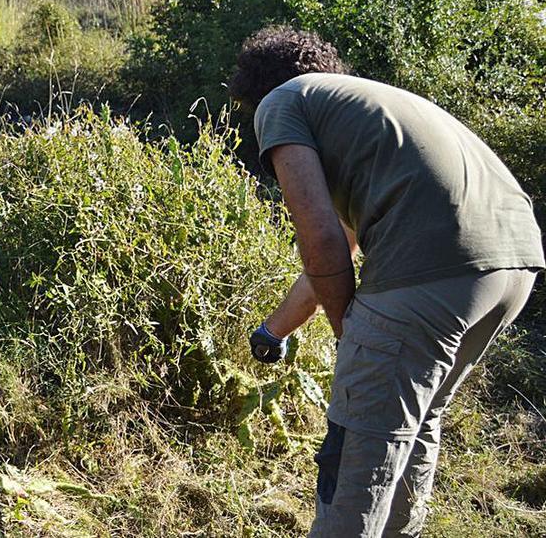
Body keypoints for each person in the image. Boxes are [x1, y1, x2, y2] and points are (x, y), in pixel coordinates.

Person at [231, 26, 544, 537]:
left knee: (357, 455)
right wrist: (274, 332)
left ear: (258, 87)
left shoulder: (281, 101)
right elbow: (335, 255)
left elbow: (322, 243)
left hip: (430, 268)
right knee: (416, 425)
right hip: (513, 263)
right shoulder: (370, 111)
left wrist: (347, 331)